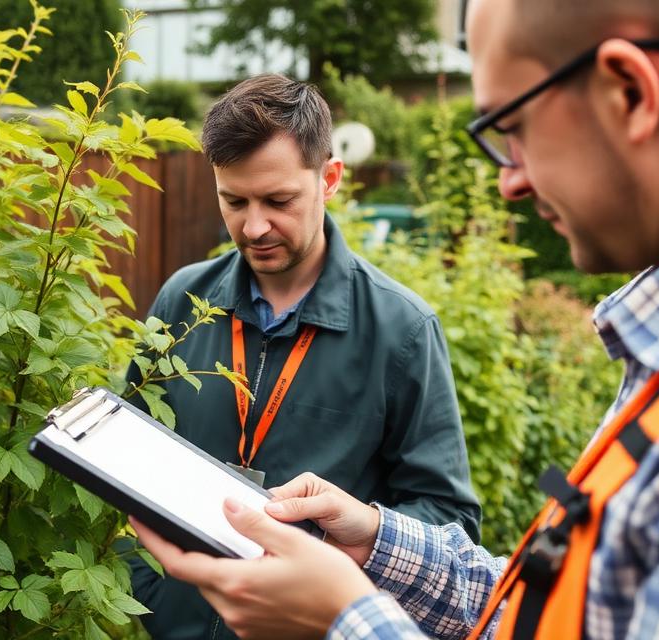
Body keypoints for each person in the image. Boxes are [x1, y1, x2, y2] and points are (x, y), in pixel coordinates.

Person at [132, 0, 659, 637]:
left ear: (630, 92)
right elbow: (578, 610)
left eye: (512, 128)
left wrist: (342, 619)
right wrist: (374, 537)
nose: (509, 179)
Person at [126, 74, 482, 639]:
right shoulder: (181, 301)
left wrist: (336, 580)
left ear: (330, 178)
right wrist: (151, 598)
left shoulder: (404, 330)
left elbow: (449, 520)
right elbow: (133, 459)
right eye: (233, 201)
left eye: (279, 200)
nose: (254, 225)